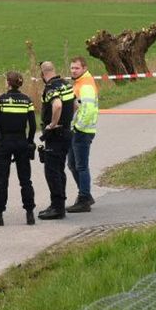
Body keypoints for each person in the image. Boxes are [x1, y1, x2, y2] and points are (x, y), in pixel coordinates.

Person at [0, 71, 36, 226]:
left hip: (4, 142)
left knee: (2, 180)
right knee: (25, 180)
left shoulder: (1, 100)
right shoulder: (27, 100)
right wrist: (29, 141)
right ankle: (30, 213)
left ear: (8, 83)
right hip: (21, 142)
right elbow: (32, 125)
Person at [36, 61, 75, 220]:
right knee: (59, 169)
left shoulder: (51, 88)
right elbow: (75, 105)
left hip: (56, 134)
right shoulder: (66, 85)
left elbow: (57, 105)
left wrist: (52, 124)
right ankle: (59, 204)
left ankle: (57, 207)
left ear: (42, 73)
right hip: (66, 132)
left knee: (52, 171)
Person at [66, 56, 99, 213]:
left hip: (82, 131)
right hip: (77, 130)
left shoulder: (85, 84)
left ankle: (84, 199)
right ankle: (85, 195)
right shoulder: (79, 82)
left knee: (81, 166)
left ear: (84, 68)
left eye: (76, 68)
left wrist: (78, 127)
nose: (73, 70)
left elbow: (89, 108)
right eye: (72, 68)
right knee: (72, 164)